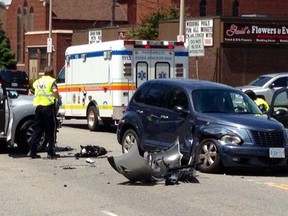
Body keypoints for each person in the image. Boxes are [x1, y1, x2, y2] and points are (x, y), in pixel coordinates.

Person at [27, 66, 60, 159]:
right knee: (50, 130)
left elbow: (31, 92)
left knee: (37, 130)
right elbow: (54, 91)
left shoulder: (37, 81)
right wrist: (58, 97)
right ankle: (50, 152)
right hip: (48, 108)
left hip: (38, 108)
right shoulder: (52, 81)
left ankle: (32, 151)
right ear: (52, 72)